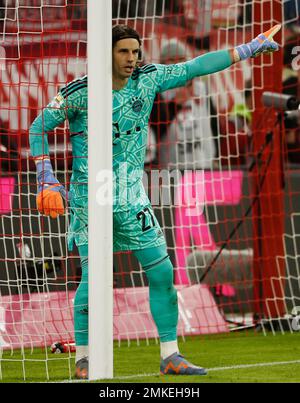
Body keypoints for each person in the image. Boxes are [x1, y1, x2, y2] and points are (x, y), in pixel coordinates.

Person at [29, 23, 281, 379]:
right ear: (106, 53)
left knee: (162, 271)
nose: (132, 59)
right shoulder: (80, 92)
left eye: (135, 51)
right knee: (93, 278)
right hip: (91, 197)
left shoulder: (147, 80)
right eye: (123, 52)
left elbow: (196, 66)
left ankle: (170, 355)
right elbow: (38, 127)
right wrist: (46, 178)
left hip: (133, 195)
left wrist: (249, 49)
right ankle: (84, 359)